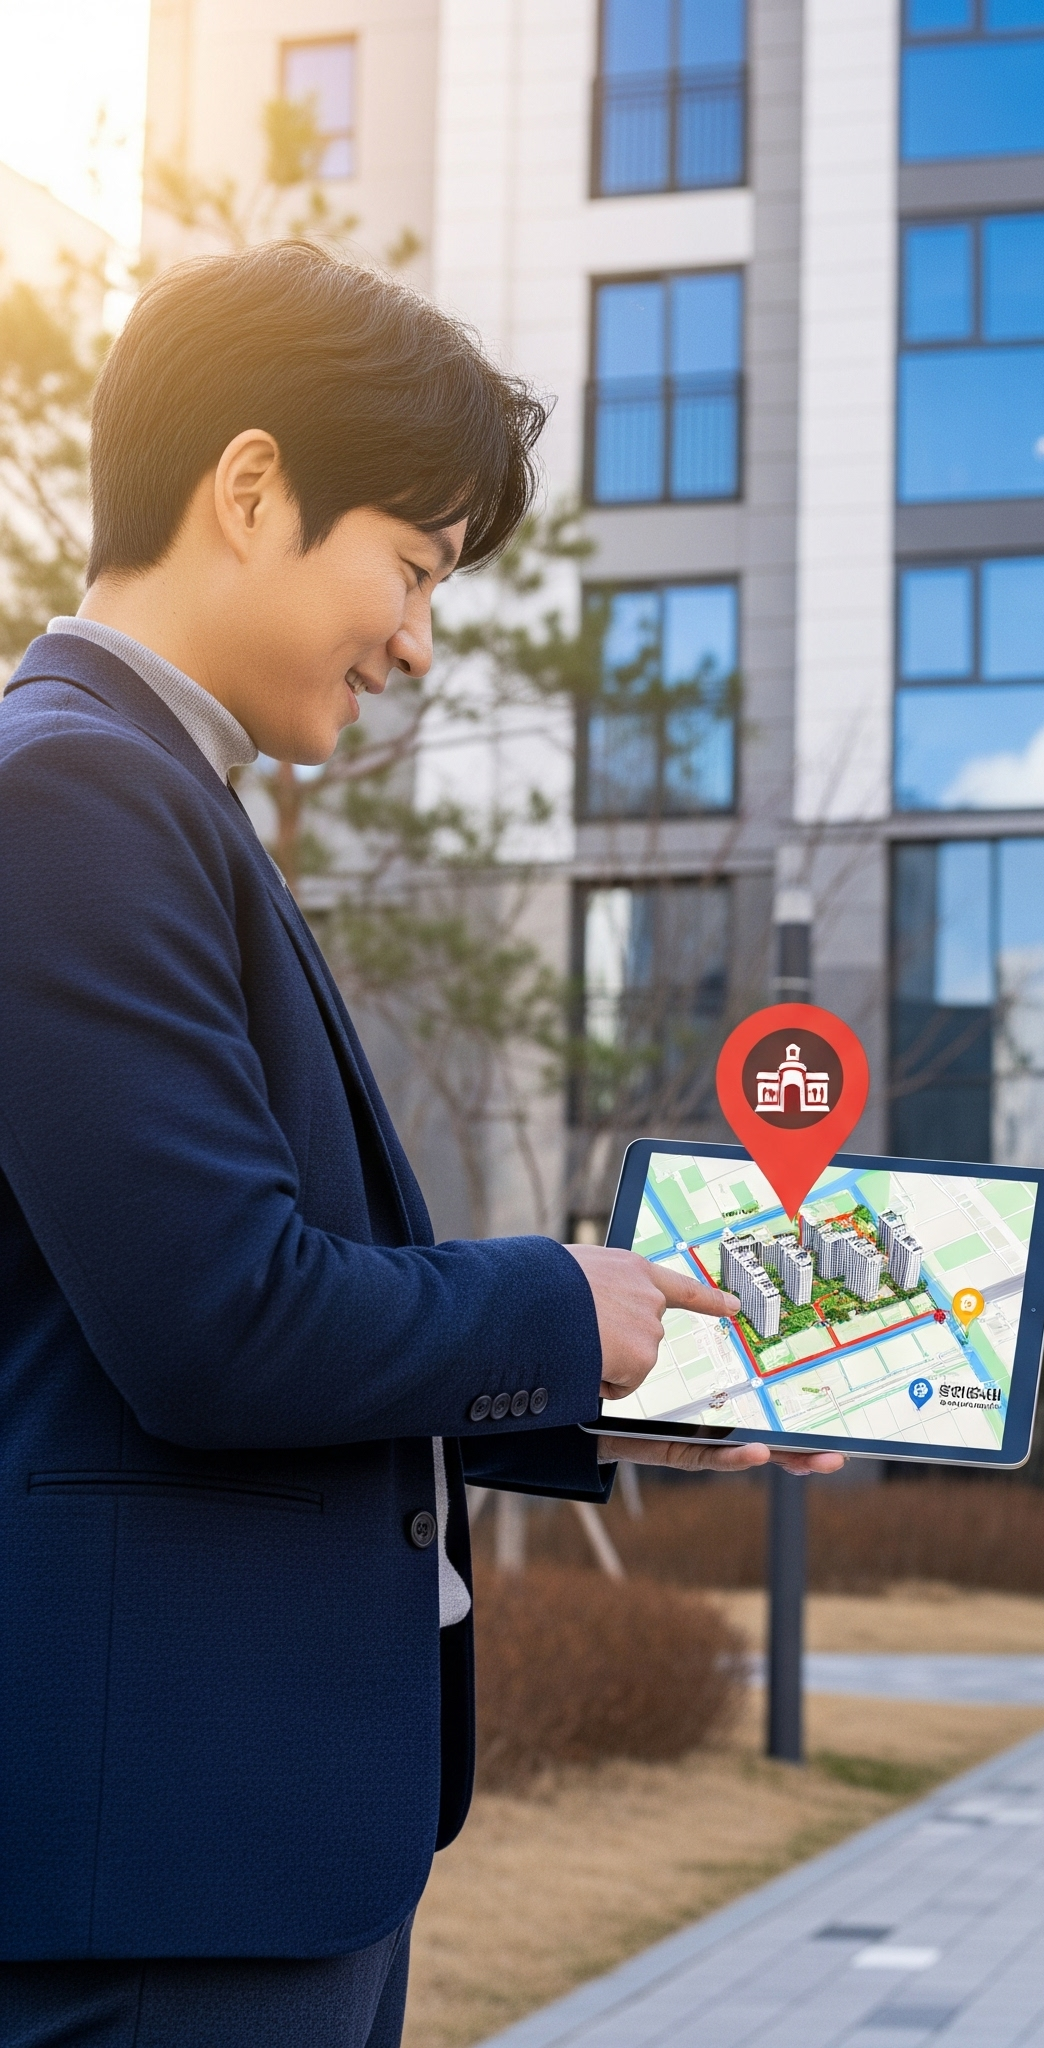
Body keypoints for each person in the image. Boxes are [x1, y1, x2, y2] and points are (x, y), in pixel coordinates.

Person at [0, 240, 840, 2046]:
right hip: (163, 1869)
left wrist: (618, 1371)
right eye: (411, 565)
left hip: (214, 1848)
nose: (417, 640)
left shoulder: (147, 795)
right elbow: (219, 1318)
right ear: (250, 487)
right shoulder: (72, 793)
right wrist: (556, 1296)